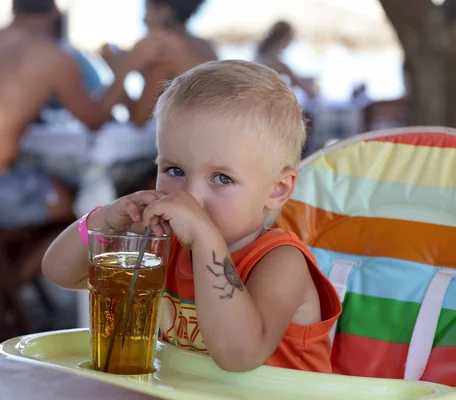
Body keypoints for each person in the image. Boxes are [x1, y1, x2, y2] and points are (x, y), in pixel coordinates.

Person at [42, 60, 342, 372]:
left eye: (222, 178)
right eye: (174, 170)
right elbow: (59, 272)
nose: (190, 197)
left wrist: (204, 240)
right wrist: (107, 219)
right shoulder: (163, 246)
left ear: (278, 190)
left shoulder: (281, 263)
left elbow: (239, 355)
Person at [0, 0, 156, 229]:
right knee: (79, 212)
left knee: (44, 183)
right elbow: (95, 120)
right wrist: (124, 69)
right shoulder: (54, 56)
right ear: (54, 11)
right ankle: (11, 277)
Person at [100, 0, 217, 127]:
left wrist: (119, 69)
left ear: (164, 12)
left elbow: (138, 121)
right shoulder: (204, 46)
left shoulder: (163, 54)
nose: (144, 20)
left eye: (147, 10)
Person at [255, 20, 316, 98]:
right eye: (290, 36)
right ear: (283, 37)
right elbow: (298, 83)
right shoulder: (273, 60)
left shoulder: (263, 54)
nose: (291, 40)